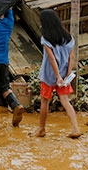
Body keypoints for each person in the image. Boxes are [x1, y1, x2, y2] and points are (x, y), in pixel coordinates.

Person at [35, 9, 81, 138]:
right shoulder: (68, 38)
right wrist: (67, 75)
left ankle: (41, 130)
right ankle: (76, 129)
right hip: (65, 75)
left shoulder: (46, 38)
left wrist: (58, 77)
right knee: (66, 101)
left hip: (49, 75)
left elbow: (51, 59)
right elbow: (71, 58)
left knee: (45, 101)